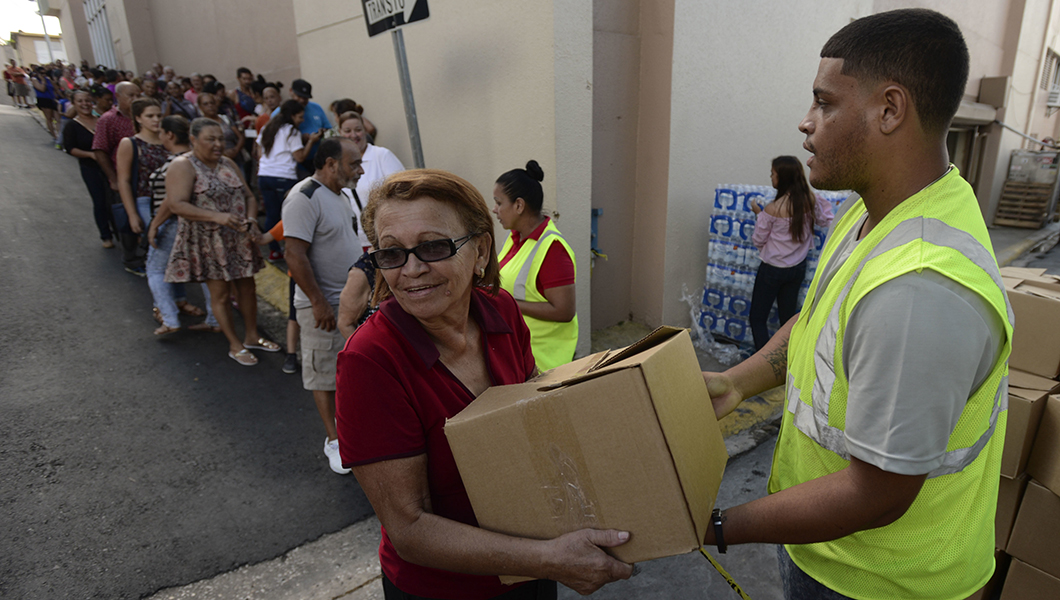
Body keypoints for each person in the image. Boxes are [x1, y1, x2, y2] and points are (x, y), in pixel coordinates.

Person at [700, 10, 1013, 600]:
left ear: (890, 109)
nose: (805, 122)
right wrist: (739, 383)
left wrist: (715, 526)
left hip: (885, 583)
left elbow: (878, 493)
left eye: (824, 103)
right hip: (829, 554)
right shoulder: (873, 212)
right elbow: (819, 317)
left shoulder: (919, 290)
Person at [335, 169, 633, 598]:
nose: (413, 270)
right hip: (449, 588)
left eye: (434, 246)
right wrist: (549, 558)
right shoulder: (370, 361)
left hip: (534, 559)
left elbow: (534, 406)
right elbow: (409, 527)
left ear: (480, 250)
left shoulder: (500, 309)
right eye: (391, 253)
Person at [163, 117, 277, 365]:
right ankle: (234, 344)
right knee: (221, 294)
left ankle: (252, 336)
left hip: (237, 237)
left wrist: (250, 219)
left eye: (220, 139)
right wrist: (218, 217)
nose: (217, 144)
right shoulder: (183, 165)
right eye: (210, 139)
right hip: (207, 241)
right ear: (193, 140)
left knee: (247, 288)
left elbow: (249, 195)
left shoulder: (227, 162)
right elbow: (176, 204)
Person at [282, 137, 364, 474]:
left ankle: (351, 432)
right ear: (331, 164)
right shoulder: (304, 197)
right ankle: (334, 441)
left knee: (349, 371)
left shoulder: (342, 195)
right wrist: (318, 303)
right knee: (323, 376)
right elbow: (294, 253)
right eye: (353, 164)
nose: (360, 170)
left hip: (349, 303)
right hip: (324, 306)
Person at [493, 161, 577, 372]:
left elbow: (564, 311)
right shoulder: (513, 237)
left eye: (499, 202)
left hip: (543, 363)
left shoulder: (553, 249)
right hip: (519, 354)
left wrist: (506, 303)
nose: (494, 210)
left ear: (519, 206)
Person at [747, 156, 833, 350]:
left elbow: (758, 239)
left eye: (773, 174)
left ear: (783, 178)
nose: (771, 177)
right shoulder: (810, 200)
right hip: (797, 269)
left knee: (757, 318)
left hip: (772, 270)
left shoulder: (773, 208)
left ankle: (763, 366)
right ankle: (789, 360)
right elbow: (825, 219)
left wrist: (759, 214)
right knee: (787, 320)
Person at [146, 115, 217, 335]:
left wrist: (155, 224)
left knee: (156, 269)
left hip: (175, 223)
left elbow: (172, 199)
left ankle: (169, 318)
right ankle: (215, 319)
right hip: (200, 223)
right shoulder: (200, 160)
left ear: (169, 134)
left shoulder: (179, 163)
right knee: (206, 273)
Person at [257, 99, 323, 261]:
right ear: (291, 116)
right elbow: (300, 157)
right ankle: (293, 251)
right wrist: (311, 142)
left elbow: (259, 150)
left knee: (271, 214)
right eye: (300, 117)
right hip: (283, 177)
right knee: (289, 215)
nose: (302, 120)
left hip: (264, 176)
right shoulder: (291, 132)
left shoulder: (268, 128)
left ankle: (274, 251)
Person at [93, 81, 144, 275]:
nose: (135, 99)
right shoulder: (108, 119)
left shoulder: (143, 117)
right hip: (123, 178)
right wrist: (113, 178)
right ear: (119, 97)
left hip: (145, 178)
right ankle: (131, 258)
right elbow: (100, 150)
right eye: (130, 95)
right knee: (126, 218)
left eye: (137, 95)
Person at [339, 111, 402, 251]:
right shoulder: (339, 164)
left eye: (358, 130)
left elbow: (402, 191)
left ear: (365, 130)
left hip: (386, 238)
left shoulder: (381, 155)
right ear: (340, 132)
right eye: (348, 131)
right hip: (355, 242)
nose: (354, 135)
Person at [62, 89, 113, 248]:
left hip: (110, 166)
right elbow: (70, 148)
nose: (84, 104)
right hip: (90, 168)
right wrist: (90, 155)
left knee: (114, 199)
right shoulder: (72, 125)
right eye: (80, 101)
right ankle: (106, 235)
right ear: (74, 104)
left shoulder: (101, 120)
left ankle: (121, 230)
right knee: (100, 201)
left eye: (87, 100)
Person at [116, 98, 170, 248]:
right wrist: (132, 214)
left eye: (159, 116)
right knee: (158, 239)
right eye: (150, 116)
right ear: (138, 118)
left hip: (171, 199)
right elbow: (124, 180)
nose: (156, 120)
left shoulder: (168, 140)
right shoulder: (130, 143)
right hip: (146, 200)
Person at [272, 78, 330, 172]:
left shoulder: (316, 108)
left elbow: (328, 128)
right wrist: (301, 139)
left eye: (305, 98)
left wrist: (321, 133)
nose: (302, 100)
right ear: (291, 92)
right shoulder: (279, 113)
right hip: (292, 164)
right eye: (299, 96)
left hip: (317, 158)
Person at [30, 68, 59, 141]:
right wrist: (43, 81)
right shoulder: (35, 80)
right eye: (41, 73)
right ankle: (54, 135)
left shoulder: (48, 79)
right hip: (44, 100)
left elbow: (55, 88)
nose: (43, 75)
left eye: (44, 73)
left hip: (51, 99)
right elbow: (42, 89)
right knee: (49, 118)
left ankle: (60, 134)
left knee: (57, 118)